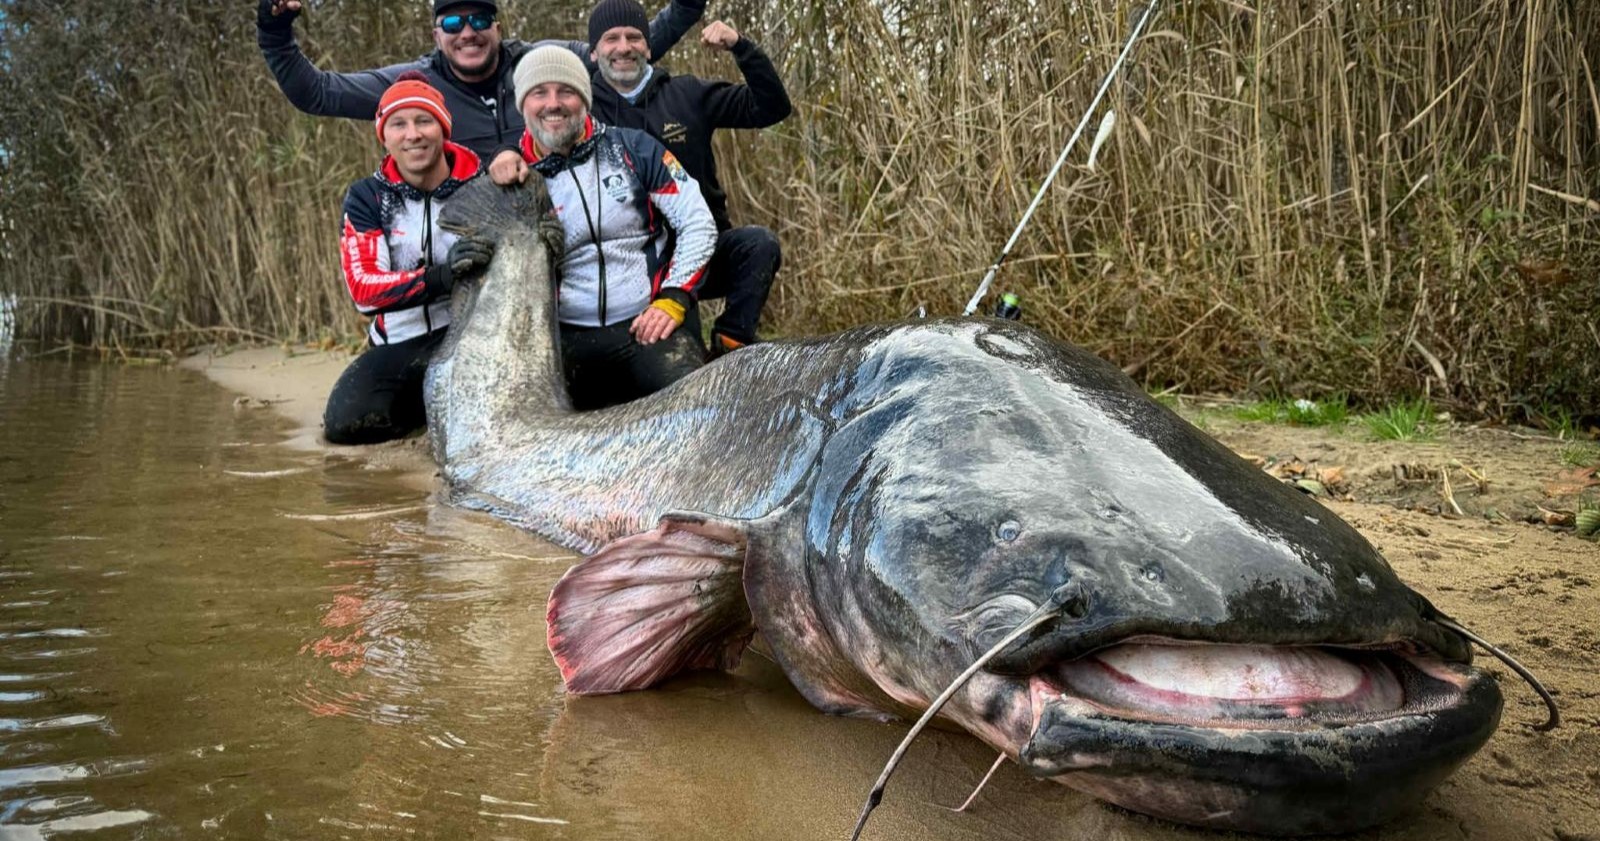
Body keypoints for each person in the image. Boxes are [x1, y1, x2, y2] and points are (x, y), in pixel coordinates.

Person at [496, 0, 790, 356]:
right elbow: (535, 130)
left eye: (634, 37)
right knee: (674, 353)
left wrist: (741, 46)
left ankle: (731, 345)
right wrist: (507, 152)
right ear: (593, 53)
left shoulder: (688, 93)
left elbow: (772, 107)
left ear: (649, 47)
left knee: (758, 245)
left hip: (696, 245)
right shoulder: (579, 108)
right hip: (632, 263)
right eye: (611, 39)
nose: (623, 47)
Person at [502, 46, 718, 409]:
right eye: (539, 93)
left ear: (585, 99)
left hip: (646, 324)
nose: (553, 104)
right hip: (561, 339)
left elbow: (697, 222)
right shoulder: (510, 177)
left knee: (695, 408)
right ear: (523, 104)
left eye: (566, 91)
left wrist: (674, 297)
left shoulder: (634, 148)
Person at [257, 0, 706, 158]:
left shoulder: (541, 62)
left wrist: (687, 5)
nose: (467, 33)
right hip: (469, 242)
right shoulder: (416, 84)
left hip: (556, 228)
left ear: (498, 27)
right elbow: (317, 93)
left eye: (479, 20)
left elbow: (617, 55)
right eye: (453, 24)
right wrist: (275, 33)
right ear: (436, 35)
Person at [323, 73, 493, 444]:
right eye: (398, 124)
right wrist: (442, 277)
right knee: (346, 423)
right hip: (400, 344)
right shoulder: (367, 197)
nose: (413, 135)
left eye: (424, 121)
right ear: (383, 137)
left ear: (443, 129)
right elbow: (364, 291)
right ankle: (426, 413)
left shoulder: (483, 184)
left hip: (472, 339)